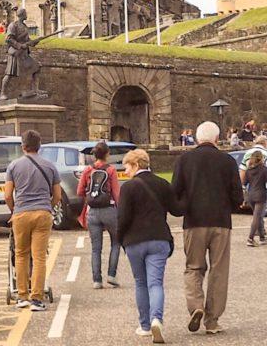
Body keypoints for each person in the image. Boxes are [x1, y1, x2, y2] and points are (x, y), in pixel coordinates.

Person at [172, 121, 243, 336]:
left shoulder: (184, 160)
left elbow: (175, 192)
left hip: (194, 222)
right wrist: (227, 206)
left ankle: (197, 306)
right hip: (221, 221)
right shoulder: (228, 161)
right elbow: (238, 196)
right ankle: (212, 321)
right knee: (219, 271)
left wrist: (183, 208)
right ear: (216, 138)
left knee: (194, 267)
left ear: (196, 137)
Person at [119, 149, 181, 343]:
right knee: (155, 283)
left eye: (127, 167)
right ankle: (157, 319)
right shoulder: (162, 184)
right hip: (158, 239)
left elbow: (122, 218)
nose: (126, 171)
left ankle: (145, 325)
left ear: (136, 165)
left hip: (134, 241)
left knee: (140, 283)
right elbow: (177, 210)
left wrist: (120, 239)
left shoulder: (128, 188)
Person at [4, 129, 61, 311]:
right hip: (43, 214)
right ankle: (37, 299)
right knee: (39, 258)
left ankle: (22, 296)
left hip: (21, 213)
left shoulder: (13, 166)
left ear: (23, 146)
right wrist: (48, 206)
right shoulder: (50, 166)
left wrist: (14, 210)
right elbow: (58, 195)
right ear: (39, 146)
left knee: (21, 255)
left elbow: (7, 195)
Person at [76, 140, 122, 289]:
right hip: (109, 210)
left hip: (93, 211)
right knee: (116, 242)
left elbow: (79, 192)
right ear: (107, 154)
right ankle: (112, 275)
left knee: (96, 248)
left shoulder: (88, 170)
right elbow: (116, 193)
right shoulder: (111, 170)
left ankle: (97, 280)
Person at [240, 150, 267, 247]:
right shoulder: (264, 169)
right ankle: (250, 238)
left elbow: (244, 183)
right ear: (261, 159)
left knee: (258, 216)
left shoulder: (248, 170)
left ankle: (262, 237)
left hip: (251, 195)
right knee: (257, 217)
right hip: (260, 194)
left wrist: (244, 198)